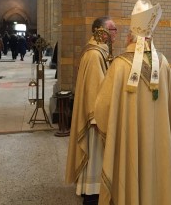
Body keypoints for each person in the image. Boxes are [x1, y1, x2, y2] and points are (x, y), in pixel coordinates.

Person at [95, 0, 171, 205]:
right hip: (158, 141)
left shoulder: (120, 65)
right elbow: (170, 110)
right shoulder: (164, 63)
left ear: (131, 37)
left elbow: (103, 108)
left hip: (128, 141)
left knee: (130, 169)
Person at [65, 16, 117, 205]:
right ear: (101, 32)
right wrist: (97, 119)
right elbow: (95, 91)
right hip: (94, 117)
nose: (115, 34)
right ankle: (92, 192)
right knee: (95, 154)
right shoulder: (94, 55)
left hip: (96, 114)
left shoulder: (99, 51)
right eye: (113, 30)